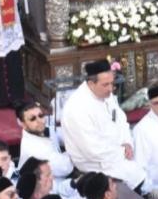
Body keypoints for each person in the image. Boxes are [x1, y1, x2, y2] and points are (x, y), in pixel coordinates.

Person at [60, 59, 147, 191]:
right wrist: (122, 151)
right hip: (94, 162)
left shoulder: (107, 94)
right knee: (134, 176)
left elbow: (121, 120)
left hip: (117, 152)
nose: (110, 89)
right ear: (91, 83)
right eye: (105, 85)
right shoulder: (76, 108)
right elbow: (91, 149)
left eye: (112, 83)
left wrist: (127, 142)